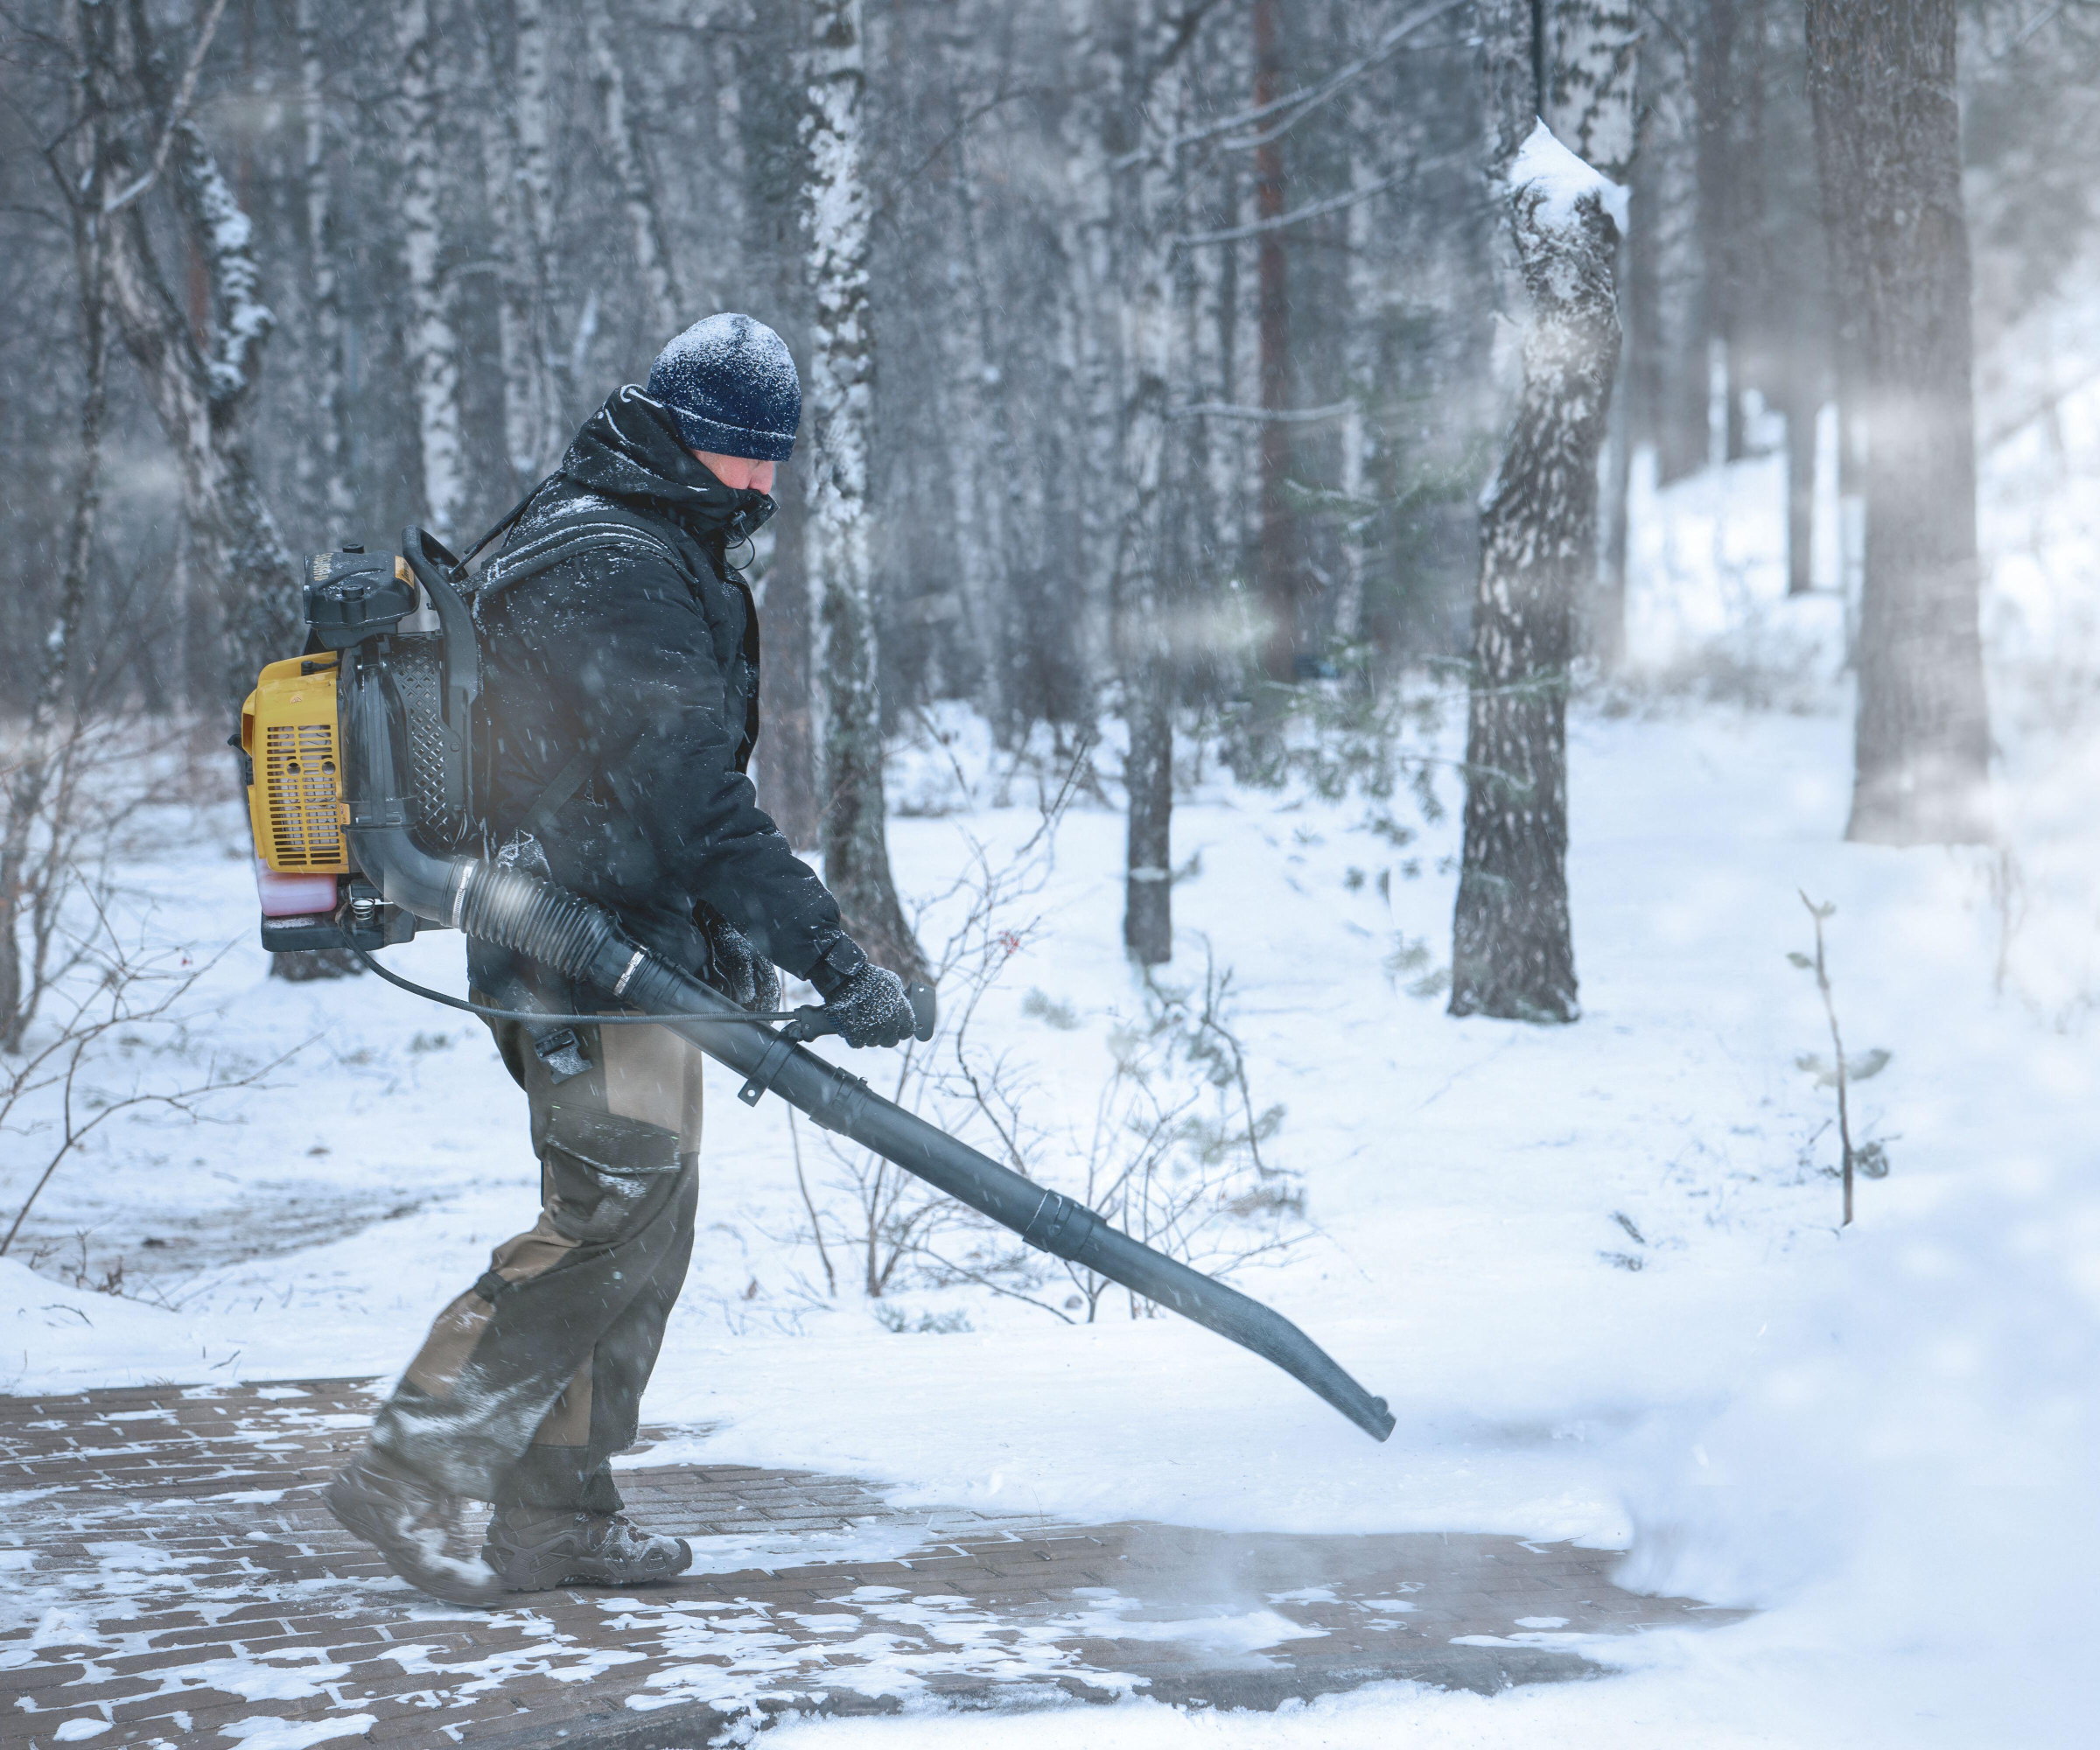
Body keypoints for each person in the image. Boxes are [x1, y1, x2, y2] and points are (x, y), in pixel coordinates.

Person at [323, 313, 920, 1606]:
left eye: (776, 465)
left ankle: (556, 1521)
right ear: (695, 444)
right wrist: (829, 951)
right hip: (570, 946)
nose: (767, 489)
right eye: (751, 463)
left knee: (642, 1229)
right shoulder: (616, 562)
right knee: (607, 1215)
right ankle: (412, 1468)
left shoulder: (640, 535)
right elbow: (693, 799)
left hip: (627, 943)